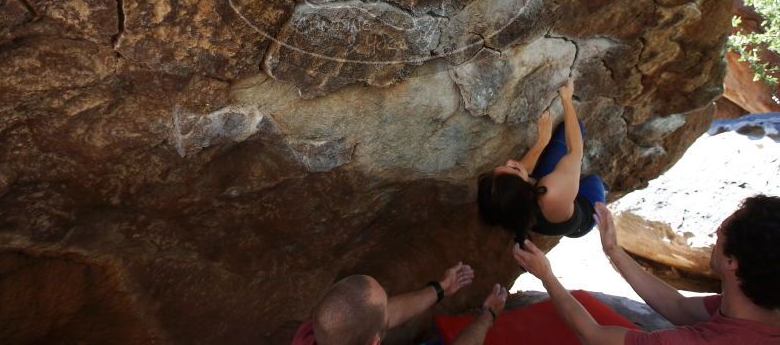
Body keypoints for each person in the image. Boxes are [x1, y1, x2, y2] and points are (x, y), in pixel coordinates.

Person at [512, 195, 780, 344]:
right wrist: (615, 252)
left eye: (720, 232)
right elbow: (678, 307)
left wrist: (546, 275)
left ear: (733, 262)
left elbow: (593, 335)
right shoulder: (755, 307)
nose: (714, 236)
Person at [477, 78, 606, 244]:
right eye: (513, 169)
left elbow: (523, 172)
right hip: (586, 211)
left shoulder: (505, 206)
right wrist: (567, 99)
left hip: (546, 193)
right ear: (524, 189)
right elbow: (575, 151)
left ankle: (570, 182)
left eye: (502, 166)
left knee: (566, 132)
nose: (510, 161)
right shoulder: (551, 193)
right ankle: (603, 188)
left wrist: (542, 141)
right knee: (593, 176)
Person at [292, 262, 475, 344]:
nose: (390, 308)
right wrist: (488, 316)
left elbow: (385, 314)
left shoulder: (311, 331)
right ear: (375, 342)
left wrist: (440, 288)